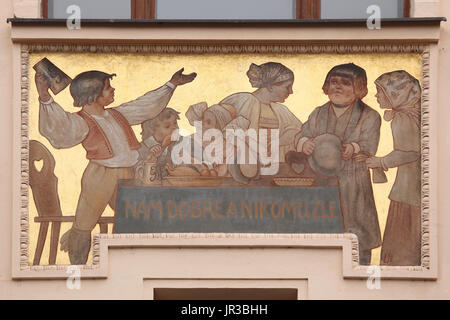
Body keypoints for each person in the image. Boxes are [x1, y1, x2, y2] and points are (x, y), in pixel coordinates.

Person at [35, 67, 196, 264]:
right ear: (92, 95)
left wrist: (172, 84)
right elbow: (59, 129)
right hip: (100, 176)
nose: (112, 90)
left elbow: (145, 106)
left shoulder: (118, 115)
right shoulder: (81, 122)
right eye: (107, 88)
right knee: (84, 225)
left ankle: (133, 265)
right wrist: (44, 96)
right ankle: (78, 269)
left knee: (135, 219)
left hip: (127, 175)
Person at [295, 63, 382, 265]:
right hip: (321, 181)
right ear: (326, 86)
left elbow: (370, 142)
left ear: (359, 89)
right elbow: (303, 133)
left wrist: (354, 147)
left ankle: (360, 267)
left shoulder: (370, 116)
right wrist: (303, 143)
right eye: (334, 82)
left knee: (357, 227)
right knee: (324, 227)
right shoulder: (318, 113)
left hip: (353, 181)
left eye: (345, 83)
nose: (338, 87)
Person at [366, 70, 421, 266]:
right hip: (412, 189)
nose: (376, 96)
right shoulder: (413, 113)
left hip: (407, 192)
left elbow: (410, 152)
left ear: (395, 94)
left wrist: (380, 162)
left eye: (380, 92)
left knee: (403, 242)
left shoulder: (403, 117)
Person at [218, 62, 303, 178]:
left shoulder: (281, 110)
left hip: (273, 172)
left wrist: (281, 139)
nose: (291, 91)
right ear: (270, 86)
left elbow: (301, 132)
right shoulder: (242, 101)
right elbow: (219, 130)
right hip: (243, 171)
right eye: (287, 87)